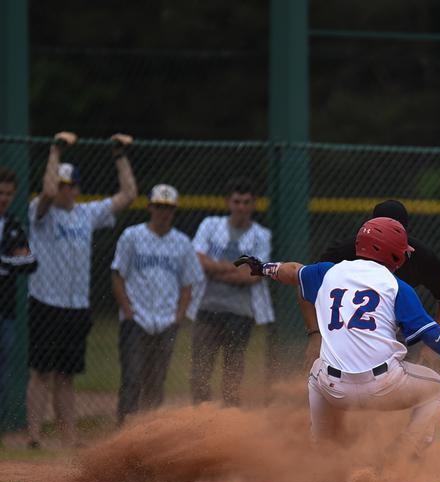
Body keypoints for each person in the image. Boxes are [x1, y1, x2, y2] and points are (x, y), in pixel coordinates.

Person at [234, 217, 440, 454]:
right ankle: (407, 450)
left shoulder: (328, 271)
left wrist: (263, 268)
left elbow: (293, 271)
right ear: (393, 253)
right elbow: (432, 334)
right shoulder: (397, 287)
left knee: (316, 371)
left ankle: (319, 448)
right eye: (402, 249)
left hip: (334, 388)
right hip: (385, 386)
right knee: (439, 389)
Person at [26, 131, 138, 448]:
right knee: (42, 372)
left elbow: (128, 194)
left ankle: (69, 437)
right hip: (45, 300)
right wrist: (55, 152)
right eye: (61, 185)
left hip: (76, 305)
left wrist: (120, 157)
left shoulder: (86, 214)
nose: (64, 190)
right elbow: (47, 189)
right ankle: (34, 436)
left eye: (69, 185)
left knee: (66, 375)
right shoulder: (41, 212)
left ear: (77, 188)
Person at [299, 199, 440, 377]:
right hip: (346, 326)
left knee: (413, 375)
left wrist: (432, 347)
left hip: (397, 327)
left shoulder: (421, 257)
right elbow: (305, 282)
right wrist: (315, 335)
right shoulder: (345, 251)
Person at [111, 184, 204, 424]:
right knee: (132, 377)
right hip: (137, 318)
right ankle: (125, 429)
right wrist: (128, 310)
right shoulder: (132, 236)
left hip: (166, 321)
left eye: (169, 208)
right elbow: (117, 274)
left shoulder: (182, 243)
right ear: (150, 207)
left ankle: (149, 431)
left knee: (156, 380)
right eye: (160, 207)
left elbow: (188, 284)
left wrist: (178, 317)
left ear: (174, 211)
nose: (164, 212)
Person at [188, 177, 274, 406]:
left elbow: (254, 275)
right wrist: (233, 269)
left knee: (233, 369)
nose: (242, 207)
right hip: (208, 307)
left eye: (247, 202)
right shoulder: (210, 224)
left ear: (254, 204)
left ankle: (229, 420)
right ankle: (199, 416)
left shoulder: (261, 235)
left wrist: (215, 270)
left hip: (240, 312)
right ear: (228, 202)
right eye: (237, 202)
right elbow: (197, 260)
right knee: (201, 369)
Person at [0, 167, 38, 443]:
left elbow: (29, 262)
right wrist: (9, 260)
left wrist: (4, 262)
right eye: (0, 192)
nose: (3, 198)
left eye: (8, 194)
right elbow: (17, 260)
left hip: (6, 310)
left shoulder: (13, 225)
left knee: (2, 372)